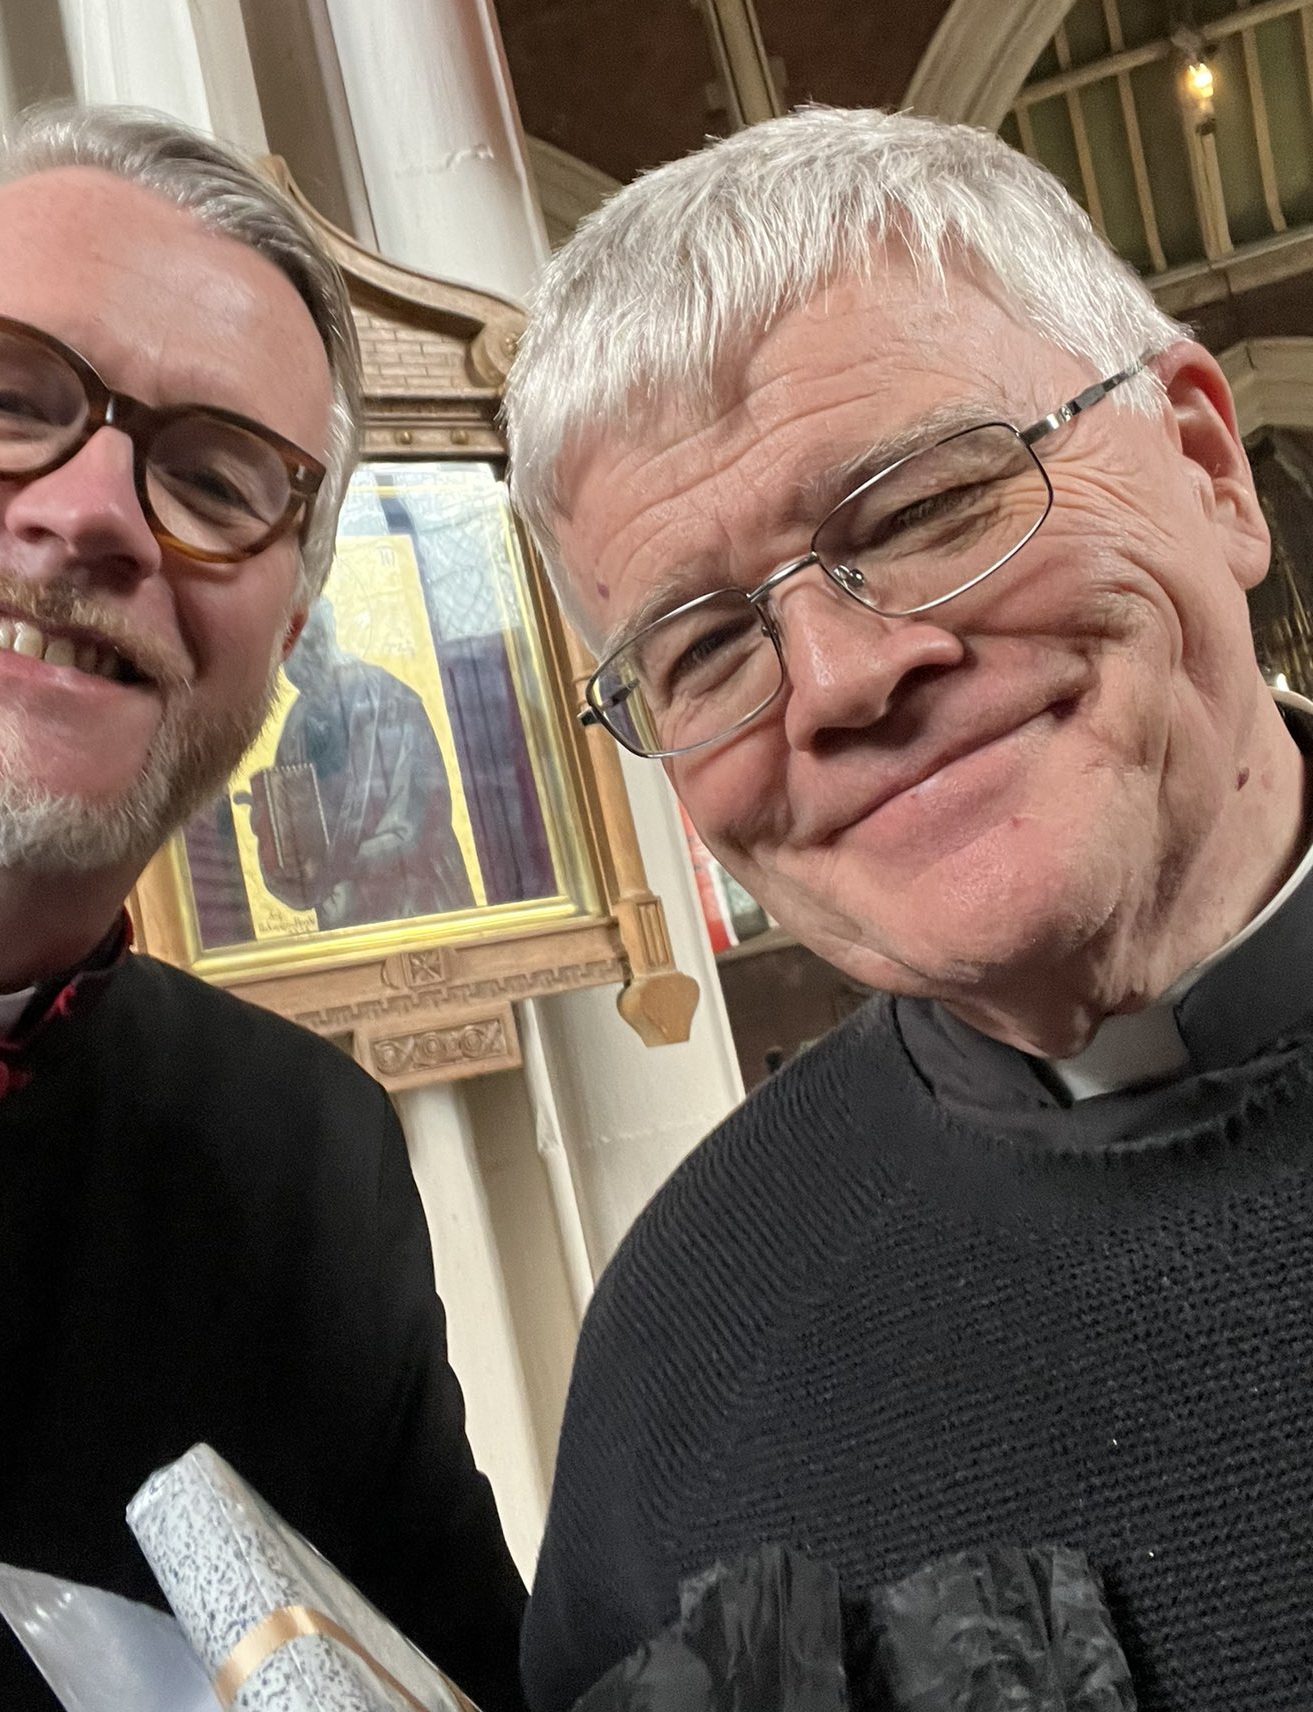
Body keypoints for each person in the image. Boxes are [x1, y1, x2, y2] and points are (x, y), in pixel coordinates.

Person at [505, 105, 1313, 1711]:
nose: (841, 679)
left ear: (1210, 470)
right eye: (706, 649)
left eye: (926, 508)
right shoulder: (685, 1337)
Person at [0, 107, 525, 1709]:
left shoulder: (308, 1152)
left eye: (217, 478)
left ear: (287, 638)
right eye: (0, 397)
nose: (93, 513)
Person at [251, 597, 474, 929]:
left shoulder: (392, 701)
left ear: (323, 640)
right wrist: (273, 830)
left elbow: (416, 822)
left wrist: (337, 866)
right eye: (284, 651)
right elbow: (295, 841)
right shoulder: (298, 724)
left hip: (417, 905)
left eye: (302, 643)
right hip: (345, 917)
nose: (292, 661)